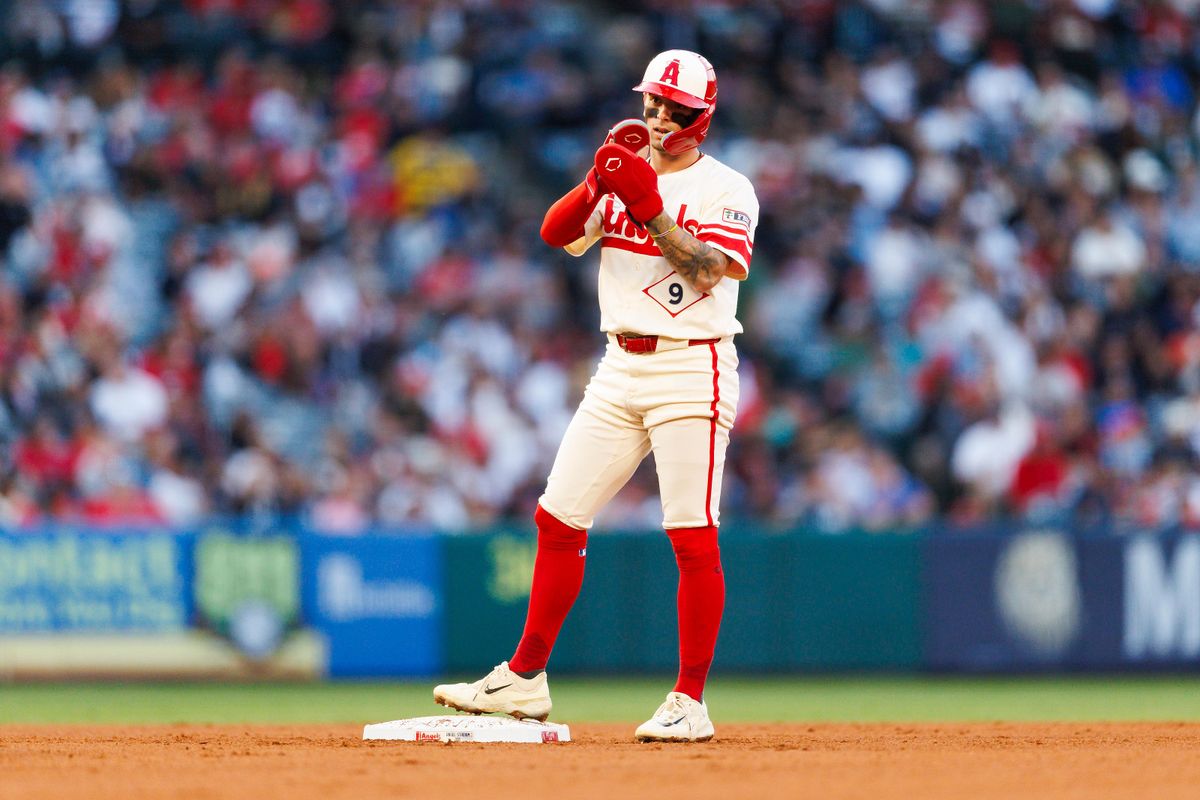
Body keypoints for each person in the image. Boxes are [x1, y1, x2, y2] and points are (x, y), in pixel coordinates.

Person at [434, 50, 758, 743]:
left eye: (672, 106)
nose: (657, 113)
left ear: (701, 117)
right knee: (558, 517)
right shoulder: (625, 168)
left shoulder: (725, 188)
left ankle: (688, 700)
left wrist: (648, 205)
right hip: (621, 362)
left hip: (690, 365)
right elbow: (555, 233)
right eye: (652, 100)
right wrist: (596, 180)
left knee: (692, 535)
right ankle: (524, 679)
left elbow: (710, 272)